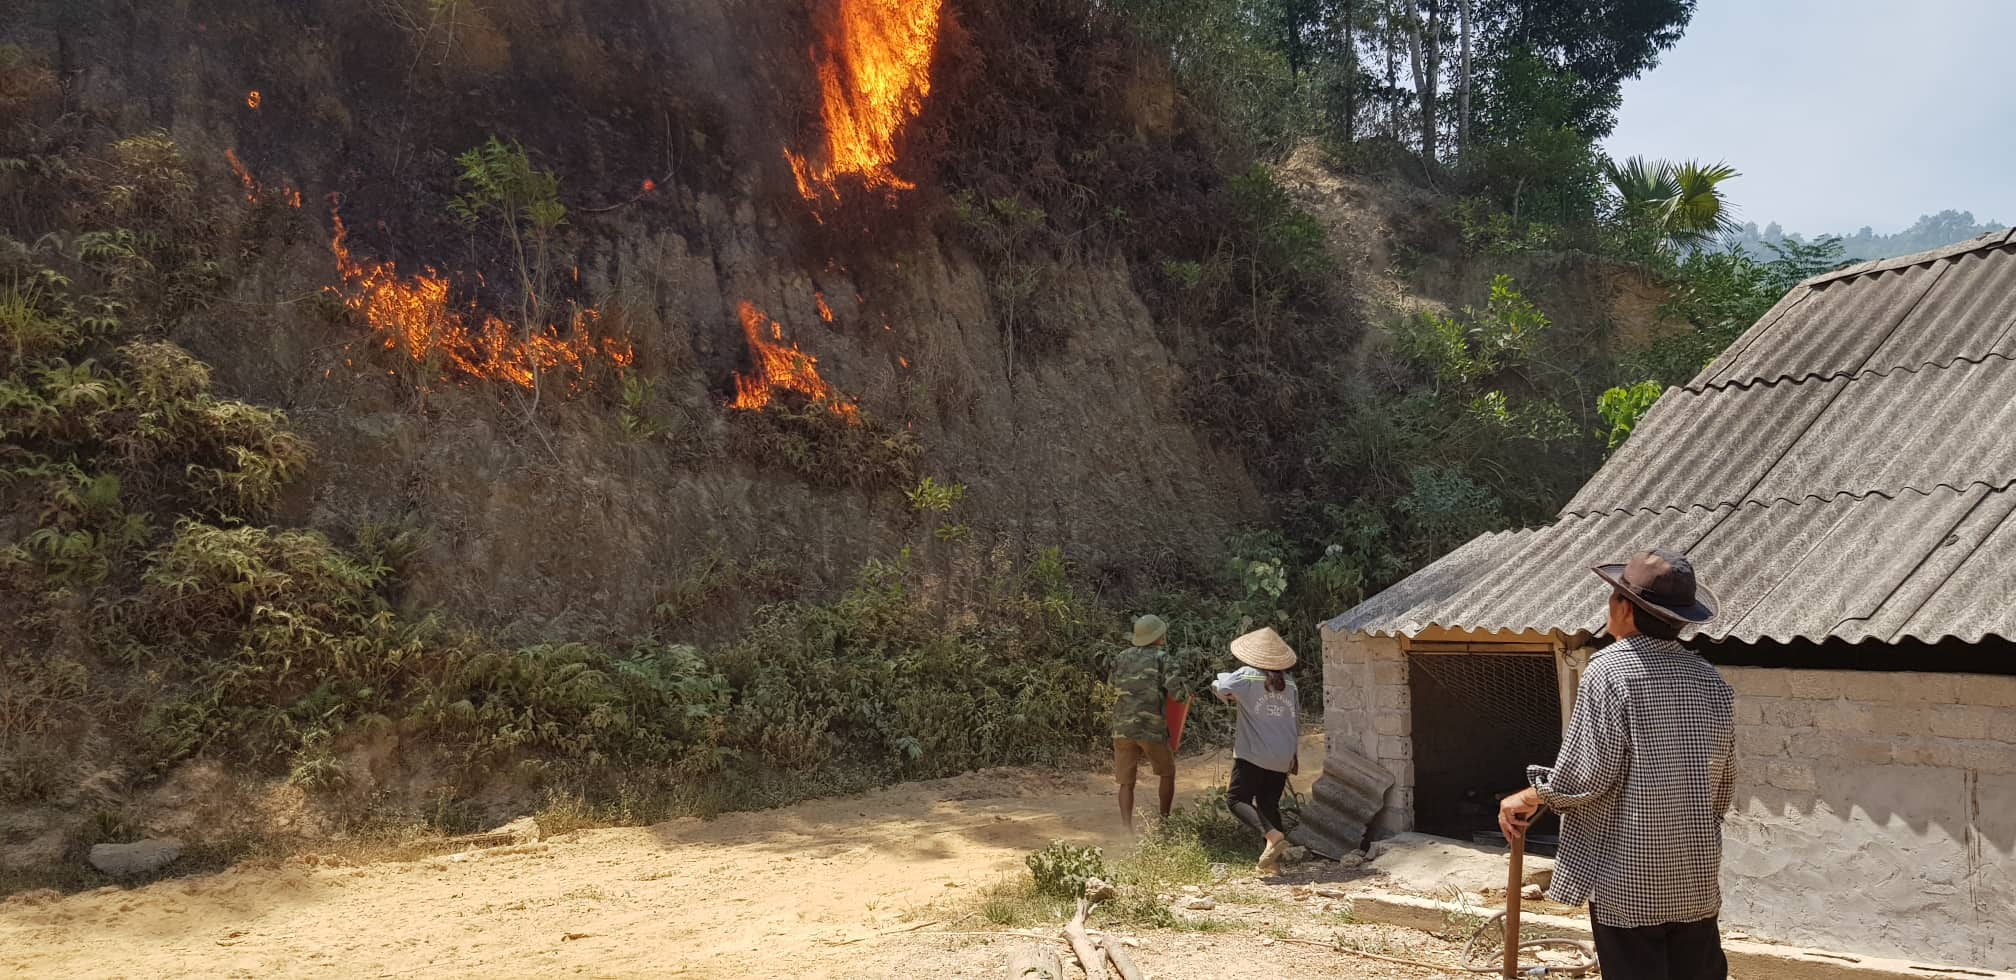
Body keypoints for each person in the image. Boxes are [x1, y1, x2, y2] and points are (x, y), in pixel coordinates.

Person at [1499, 549, 1736, 980]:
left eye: (1613, 598)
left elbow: (1586, 775)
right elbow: (1722, 787)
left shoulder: (1610, 671)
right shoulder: (1710, 680)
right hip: (1694, 874)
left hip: (1629, 880)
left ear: (1624, 608)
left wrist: (1532, 795)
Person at [1212, 626, 1300, 874]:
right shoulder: (1290, 682)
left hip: (1254, 752)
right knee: (1268, 804)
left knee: (1236, 799)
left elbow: (1221, 688)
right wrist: (1294, 755)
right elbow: (1295, 718)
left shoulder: (1246, 675)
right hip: (1283, 753)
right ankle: (1274, 864)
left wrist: (1221, 684)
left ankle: (1271, 836)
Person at [1110, 614, 1181, 830]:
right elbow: (1178, 693)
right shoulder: (1163, 658)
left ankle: (1126, 830)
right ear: (1159, 636)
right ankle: (1164, 823)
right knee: (1167, 773)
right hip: (1152, 728)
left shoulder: (1120, 657)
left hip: (1122, 728)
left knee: (1126, 781)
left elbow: (1112, 684)